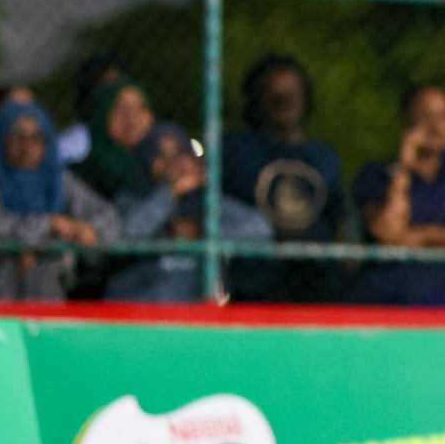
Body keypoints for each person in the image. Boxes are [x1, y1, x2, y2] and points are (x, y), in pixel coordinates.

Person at [0, 100, 119, 300]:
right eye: (17, 136)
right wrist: (48, 226)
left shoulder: (56, 179)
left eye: (36, 137)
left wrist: (86, 228)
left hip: (44, 299)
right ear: (0, 138)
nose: (27, 145)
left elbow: (106, 216)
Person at [351, 85, 445, 306]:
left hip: (437, 302)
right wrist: (404, 168)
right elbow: (389, 234)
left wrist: (420, 237)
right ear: (406, 121)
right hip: (381, 302)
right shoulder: (376, 175)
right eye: (427, 116)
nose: (436, 126)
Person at [222, 54, 346, 302]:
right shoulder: (238, 150)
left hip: (315, 281)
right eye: (274, 94)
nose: (285, 101)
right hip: (256, 281)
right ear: (258, 99)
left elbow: (337, 219)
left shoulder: (323, 157)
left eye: (293, 92)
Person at [106, 122, 271, 302]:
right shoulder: (131, 199)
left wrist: (202, 230)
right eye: (160, 156)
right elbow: (126, 234)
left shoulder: (204, 202)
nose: (172, 163)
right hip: (138, 309)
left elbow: (261, 228)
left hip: (198, 309)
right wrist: (170, 193)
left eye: (178, 153)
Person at [72, 77, 155, 201]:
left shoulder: (165, 157)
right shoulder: (86, 177)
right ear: (102, 118)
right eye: (120, 111)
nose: (132, 118)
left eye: (140, 108)